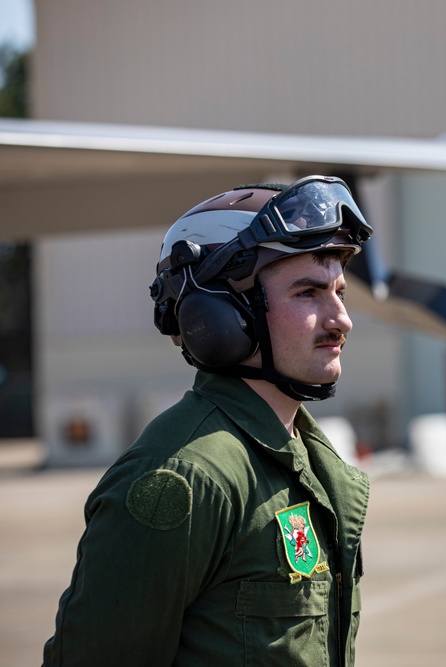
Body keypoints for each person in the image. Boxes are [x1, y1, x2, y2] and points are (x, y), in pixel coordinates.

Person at [43, 176, 373, 666]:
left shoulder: (309, 463)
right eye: (308, 293)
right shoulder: (182, 478)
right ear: (223, 314)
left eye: (339, 292)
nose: (340, 318)